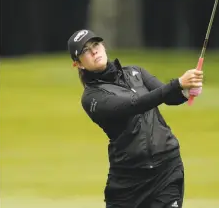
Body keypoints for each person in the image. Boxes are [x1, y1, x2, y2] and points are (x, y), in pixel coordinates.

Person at [67, 29, 204, 208]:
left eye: (95, 45)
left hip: (167, 168)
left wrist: (186, 91)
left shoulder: (135, 73)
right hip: (128, 183)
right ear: (78, 64)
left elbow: (169, 97)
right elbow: (134, 105)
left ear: (103, 46)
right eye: (85, 50)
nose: (94, 51)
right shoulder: (92, 98)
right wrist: (177, 84)